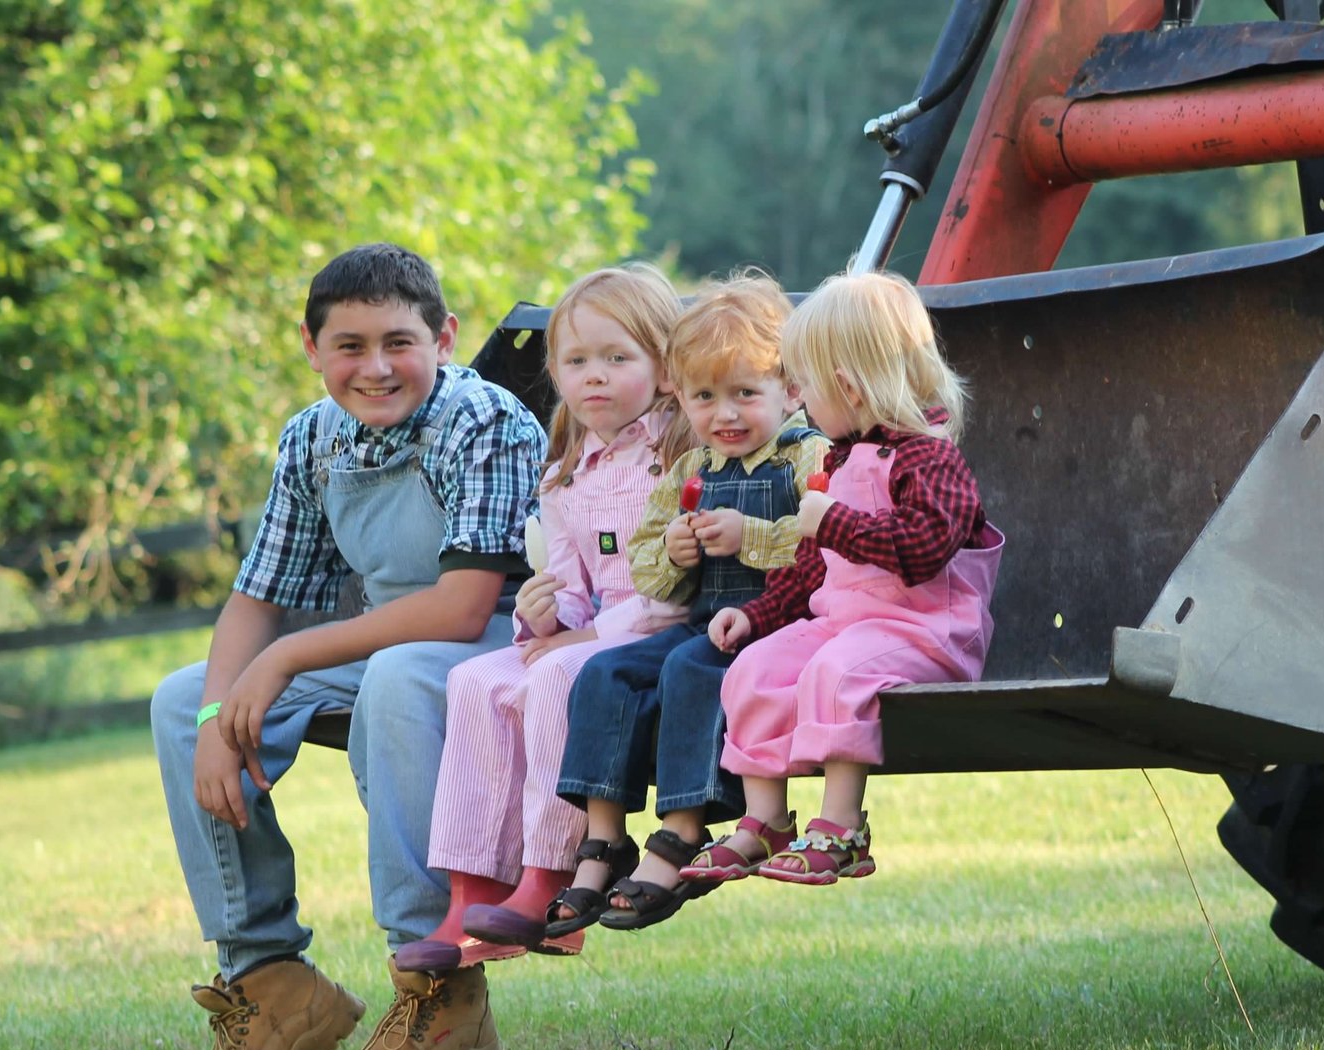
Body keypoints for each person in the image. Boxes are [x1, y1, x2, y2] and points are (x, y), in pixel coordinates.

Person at [149, 243, 544, 1050]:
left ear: (444, 337)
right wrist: (220, 711)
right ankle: (269, 977)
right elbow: (257, 598)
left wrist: (289, 655)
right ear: (312, 346)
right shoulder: (314, 437)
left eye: (399, 342)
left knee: (400, 677)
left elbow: (459, 605)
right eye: (350, 345)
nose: (375, 367)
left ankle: (437, 982)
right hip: (387, 643)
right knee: (180, 701)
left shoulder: (484, 421)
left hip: (504, 645)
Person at [484, 271, 828, 938]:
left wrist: (748, 536)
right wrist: (674, 550)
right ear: (681, 395)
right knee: (606, 673)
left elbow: (824, 542)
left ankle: (678, 834)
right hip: (708, 622)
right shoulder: (688, 472)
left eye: (744, 395)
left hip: (782, 624)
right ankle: (604, 840)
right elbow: (648, 568)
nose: (724, 414)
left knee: (689, 672)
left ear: (789, 391)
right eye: (705, 397)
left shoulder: (804, 458)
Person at [391, 263, 690, 972]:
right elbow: (574, 586)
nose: (596, 377)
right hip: (590, 637)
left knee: (557, 677)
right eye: (577, 361)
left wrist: (581, 638)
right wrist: (545, 612)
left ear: (665, 365)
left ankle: (553, 881)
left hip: (660, 638)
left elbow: (681, 590)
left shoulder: (679, 455)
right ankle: (472, 890)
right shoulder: (566, 474)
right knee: (475, 681)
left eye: (618, 359)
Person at [699, 270, 1003, 886]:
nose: (800, 398)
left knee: (838, 672)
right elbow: (812, 568)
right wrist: (758, 616)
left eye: (803, 384)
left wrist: (833, 521)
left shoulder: (930, 458)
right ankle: (766, 822)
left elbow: (924, 548)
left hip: (927, 633)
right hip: (846, 625)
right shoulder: (840, 460)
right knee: (755, 669)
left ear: (848, 386)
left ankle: (842, 828)